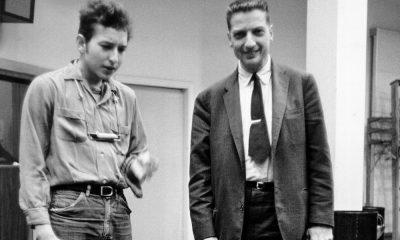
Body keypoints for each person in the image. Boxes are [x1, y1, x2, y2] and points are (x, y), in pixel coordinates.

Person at [189, 0, 333, 240]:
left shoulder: (302, 85)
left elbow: (319, 160)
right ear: (229, 38)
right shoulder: (208, 100)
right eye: (239, 34)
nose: (249, 42)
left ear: (271, 32)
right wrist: (205, 234)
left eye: (257, 31)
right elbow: (199, 178)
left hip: (289, 218)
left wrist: (321, 222)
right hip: (233, 220)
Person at [19, 1, 157, 239]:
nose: (114, 58)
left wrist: (138, 167)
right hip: (68, 210)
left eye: (121, 49)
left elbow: (135, 153)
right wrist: (41, 225)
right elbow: (33, 164)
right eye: (106, 46)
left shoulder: (127, 97)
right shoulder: (47, 88)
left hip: (117, 210)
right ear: (82, 43)